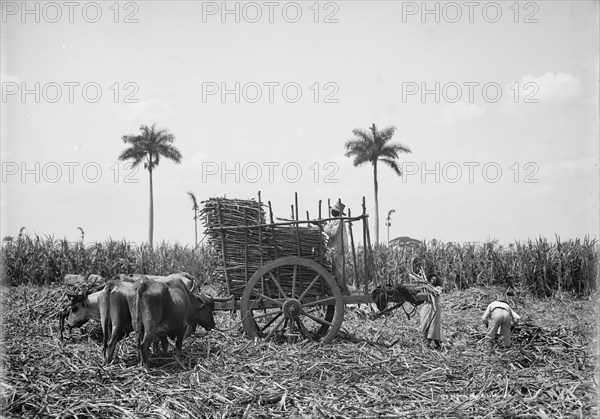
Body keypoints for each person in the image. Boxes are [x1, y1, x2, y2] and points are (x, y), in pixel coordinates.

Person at [323, 201, 352, 295]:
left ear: (338, 212)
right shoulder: (336, 220)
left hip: (338, 248)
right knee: (336, 269)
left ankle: (343, 289)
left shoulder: (339, 220)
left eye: (334, 210)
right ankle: (340, 288)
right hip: (336, 247)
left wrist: (323, 225)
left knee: (338, 270)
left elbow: (332, 232)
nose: (332, 212)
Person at [420, 272, 444, 349]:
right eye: (432, 279)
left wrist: (428, 287)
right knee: (425, 323)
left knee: (433, 325)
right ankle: (427, 343)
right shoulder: (425, 288)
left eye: (435, 279)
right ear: (429, 279)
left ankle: (434, 344)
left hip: (434, 308)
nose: (433, 280)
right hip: (426, 307)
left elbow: (436, 293)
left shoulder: (438, 288)